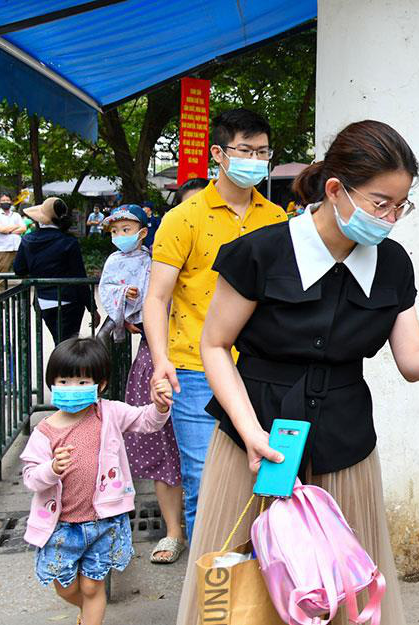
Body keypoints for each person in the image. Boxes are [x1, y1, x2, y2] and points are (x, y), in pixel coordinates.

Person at [176, 120, 419, 625]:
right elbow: (213, 345)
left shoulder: (391, 263)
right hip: (253, 445)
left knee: (342, 593)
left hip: (344, 446)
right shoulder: (260, 252)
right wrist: (249, 431)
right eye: (378, 203)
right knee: (241, 597)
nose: (389, 218)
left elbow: (412, 361)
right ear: (334, 190)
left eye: (399, 206)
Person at [144, 109, 285, 542]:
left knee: (268, 477)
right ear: (219, 154)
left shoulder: (277, 218)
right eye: (246, 151)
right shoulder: (183, 218)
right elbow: (158, 297)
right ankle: (209, 590)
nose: (256, 161)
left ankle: (260, 580)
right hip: (195, 368)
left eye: (263, 152)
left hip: (262, 368)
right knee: (206, 481)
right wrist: (160, 361)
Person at [19, 337, 173, 625]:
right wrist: (51, 469)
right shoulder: (45, 432)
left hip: (105, 522)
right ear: (52, 383)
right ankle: (85, 611)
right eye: (63, 382)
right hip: (60, 528)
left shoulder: (110, 413)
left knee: (93, 586)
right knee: (65, 587)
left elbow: (146, 421)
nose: (71, 389)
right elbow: (30, 478)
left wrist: (160, 406)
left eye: (80, 382)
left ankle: (91, 617)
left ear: (100, 384)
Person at [98, 204, 185, 565]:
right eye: (115, 228)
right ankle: (174, 530)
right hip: (156, 354)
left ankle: (205, 526)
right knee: (160, 441)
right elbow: (115, 299)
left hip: (205, 356)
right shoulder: (120, 263)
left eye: (126, 226)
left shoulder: (157, 260)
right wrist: (130, 312)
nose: (121, 233)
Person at [14, 198, 96, 344]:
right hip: (70, 302)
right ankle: (65, 367)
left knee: (60, 344)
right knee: (68, 345)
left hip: (43, 301)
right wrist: (92, 308)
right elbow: (80, 279)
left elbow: (19, 269)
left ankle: (59, 366)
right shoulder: (69, 242)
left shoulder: (28, 239)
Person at [0, 194, 26, 292]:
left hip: (18, 247)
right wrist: (15, 227)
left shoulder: (16, 215)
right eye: (3, 200)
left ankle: (22, 295)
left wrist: (8, 230)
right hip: (3, 249)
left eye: (8, 200)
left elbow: (23, 228)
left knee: (23, 272)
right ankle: (1, 298)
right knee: (2, 275)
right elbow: (1, 229)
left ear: (11, 202)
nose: (6, 202)